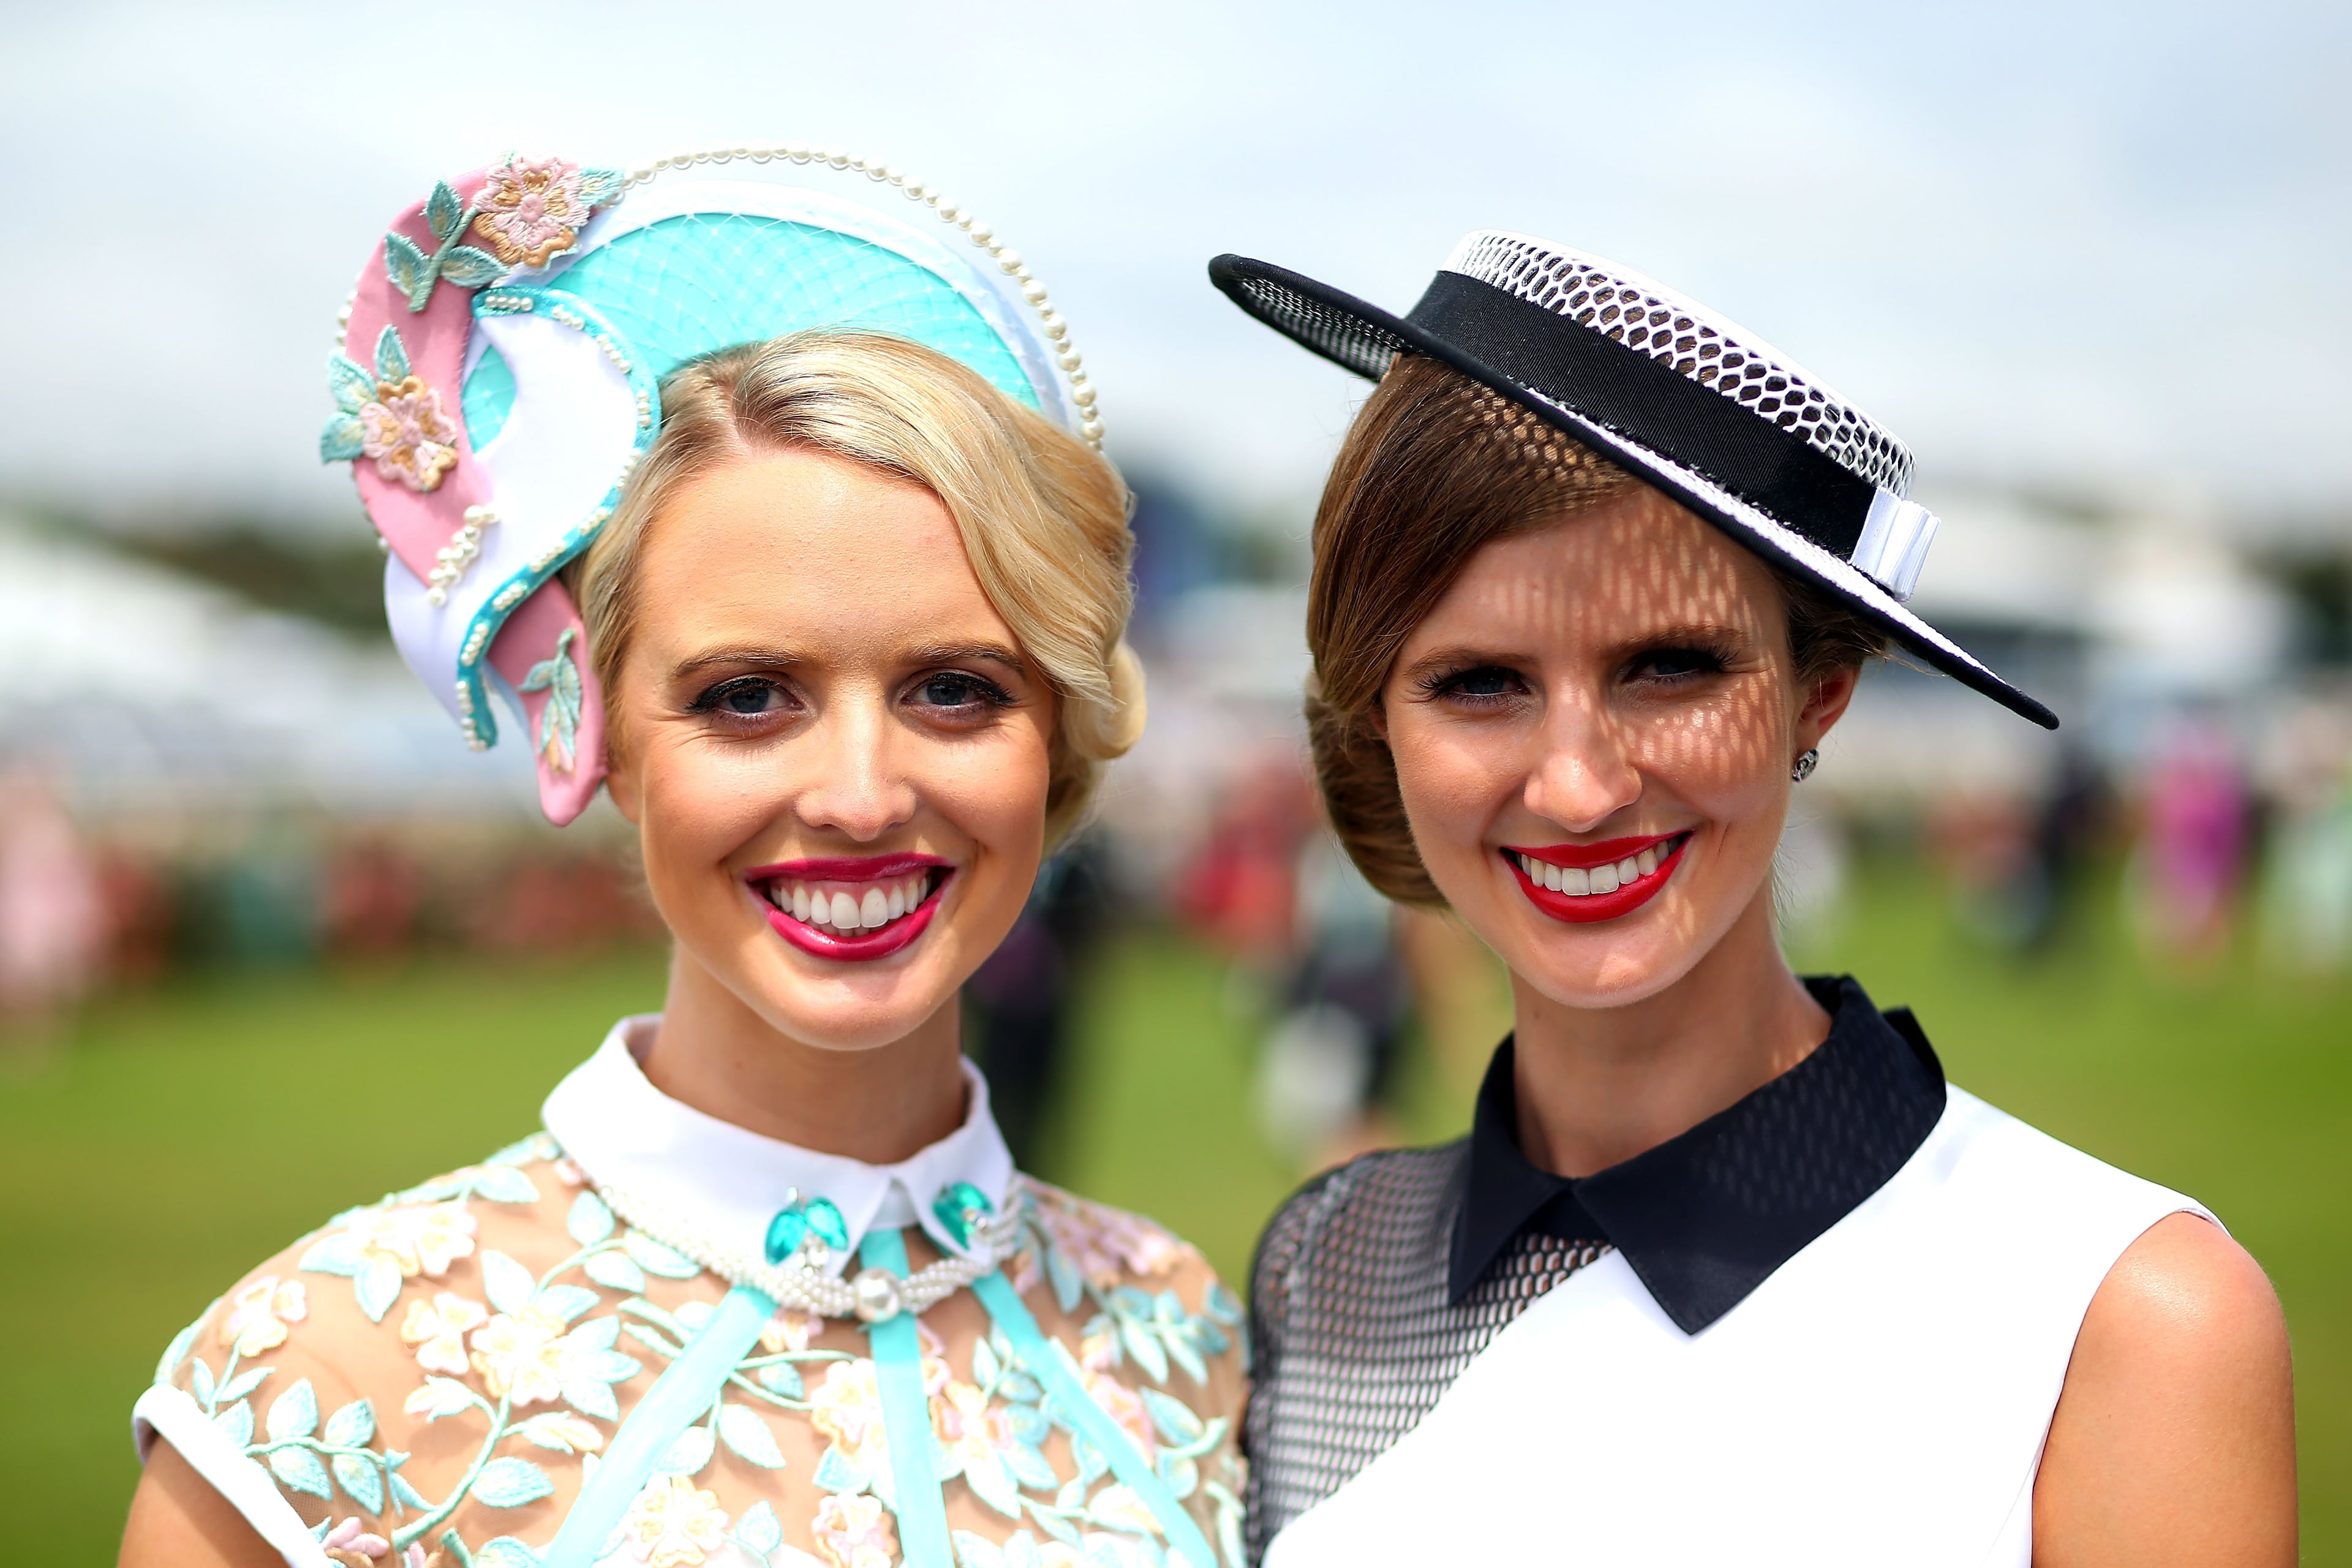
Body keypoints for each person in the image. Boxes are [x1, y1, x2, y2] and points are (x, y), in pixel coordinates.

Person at [119, 146, 1246, 1568]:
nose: (857, 793)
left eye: (956, 687)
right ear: (602, 737)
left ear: (1059, 742)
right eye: (746, 696)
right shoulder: (328, 1391)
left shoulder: (1189, 1344)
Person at [1209, 236, 2296, 1565]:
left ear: (1818, 687)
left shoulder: (2113, 1315)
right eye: (1479, 680)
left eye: (1669, 665)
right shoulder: (1326, 1266)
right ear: (1376, 717)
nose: (1577, 784)